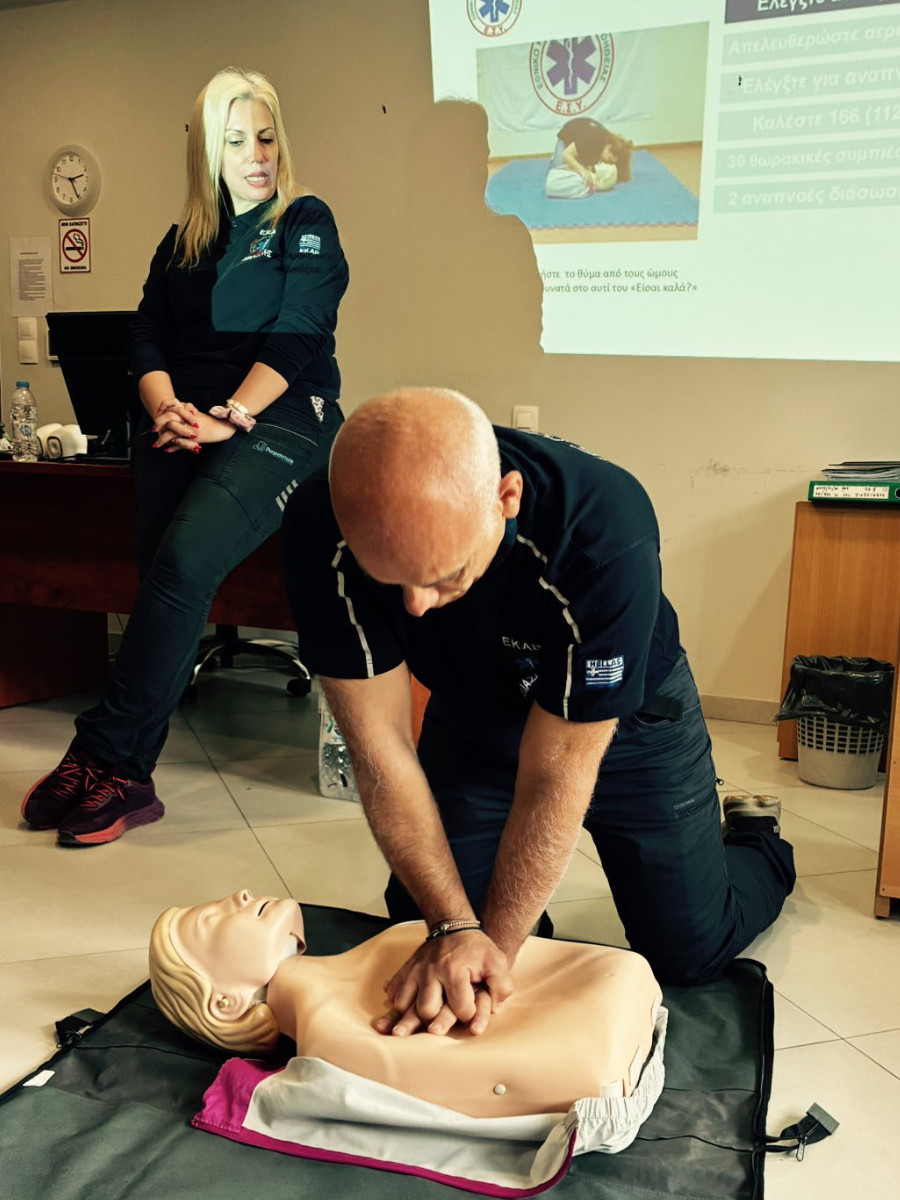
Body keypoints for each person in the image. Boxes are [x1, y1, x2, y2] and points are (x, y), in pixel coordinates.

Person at [280, 388, 796, 1037]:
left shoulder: (602, 526)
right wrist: (453, 927)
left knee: (688, 951)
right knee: (421, 922)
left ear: (507, 498)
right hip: (474, 711)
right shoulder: (320, 524)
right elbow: (381, 751)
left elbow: (557, 773)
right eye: (391, 579)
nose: (415, 606)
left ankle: (755, 834)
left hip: (626, 723)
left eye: (442, 575)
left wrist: (491, 952)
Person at [22, 67, 348, 847]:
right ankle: (125, 771)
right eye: (236, 141)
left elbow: (300, 332)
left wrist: (229, 417)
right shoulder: (184, 241)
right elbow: (145, 334)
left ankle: (104, 754)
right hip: (186, 419)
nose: (256, 154)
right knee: (164, 578)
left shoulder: (305, 221)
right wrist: (166, 406)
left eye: (265, 137)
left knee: (183, 561)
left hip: (283, 417)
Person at [149, 888, 665, 1126]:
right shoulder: (333, 1038)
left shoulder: (392, 941)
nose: (240, 895)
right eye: (212, 920)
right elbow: (572, 1071)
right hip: (600, 1054)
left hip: (611, 1007)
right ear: (225, 1003)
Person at [545, 116, 633, 199]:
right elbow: (566, 155)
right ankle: (555, 159)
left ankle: (576, 161)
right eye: (608, 160)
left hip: (583, 145)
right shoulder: (591, 139)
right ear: (608, 147)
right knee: (555, 178)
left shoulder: (604, 145)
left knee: (584, 172)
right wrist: (582, 170)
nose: (606, 163)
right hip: (566, 140)